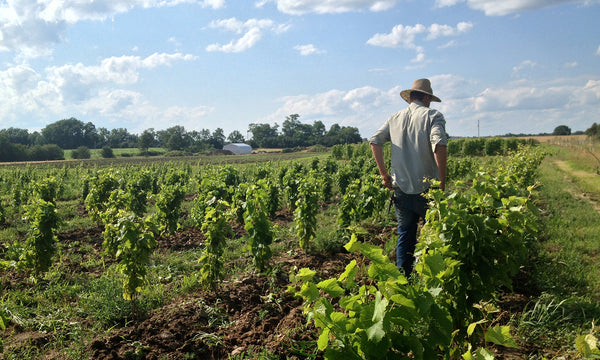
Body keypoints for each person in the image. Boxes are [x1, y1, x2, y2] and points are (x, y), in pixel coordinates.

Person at [369, 78, 448, 276]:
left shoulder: (394, 118)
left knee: (405, 234)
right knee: (433, 235)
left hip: (401, 190)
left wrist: (384, 174)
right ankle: (429, 277)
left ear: (410, 97)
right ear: (427, 97)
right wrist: (442, 181)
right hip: (427, 190)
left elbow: (374, 141)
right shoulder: (433, 116)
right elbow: (439, 144)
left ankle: (404, 280)